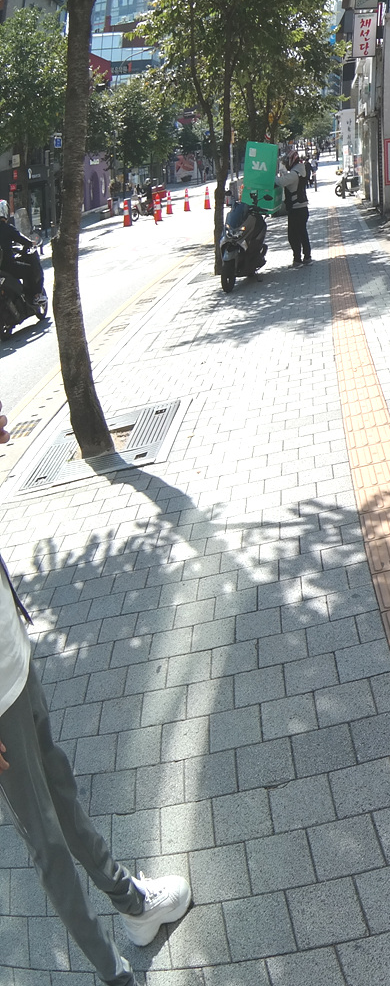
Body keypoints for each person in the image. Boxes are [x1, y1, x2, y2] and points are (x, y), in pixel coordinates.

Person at [0, 401, 193, 984]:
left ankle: (133, 904)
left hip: (12, 657)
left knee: (62, 791)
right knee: (47, 843)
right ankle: (116, 976)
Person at [275, 150, 312, 267]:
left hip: (296, 209)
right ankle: (307, 257)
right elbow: (288, 178)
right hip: (302, 208)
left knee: (293, 235)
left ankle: (297, 259)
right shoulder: (300, 170)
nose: (286, 163)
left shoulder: (294, 174)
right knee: (302, 233)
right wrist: (283, 170)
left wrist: (271, 176)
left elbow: (281, 182)